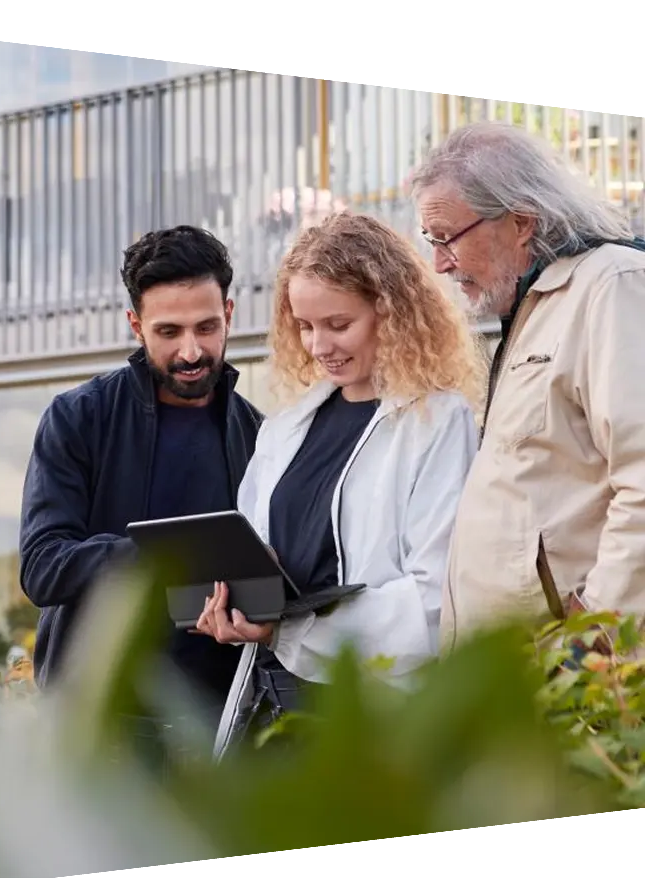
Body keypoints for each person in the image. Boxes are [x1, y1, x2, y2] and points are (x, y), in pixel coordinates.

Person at [193, 212, 486, 758]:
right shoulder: (284, 431)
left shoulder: (438, 423)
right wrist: (229, 602)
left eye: (338, 323)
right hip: (274, 709)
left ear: (388, 311)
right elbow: (253, 552)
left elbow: (433, 600)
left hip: (376, 715)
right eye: (305, 326)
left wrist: (287, 632)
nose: (319, 344)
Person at [410, 122, 645, 650]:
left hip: (581, 676)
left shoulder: (613, 285)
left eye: (446, 238)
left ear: (520, 222)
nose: (439, 263)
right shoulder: (533, 303)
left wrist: (594, 638)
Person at [18, 224, 264, 730]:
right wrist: (169, 554)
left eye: (207, 327)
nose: (192, 352)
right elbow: (43, 567)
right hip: (97, 724)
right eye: (169, 332)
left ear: (229, 315)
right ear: (136, 325)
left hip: (215, 727)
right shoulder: (77, 419)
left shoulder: (260, 434)